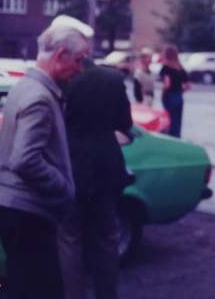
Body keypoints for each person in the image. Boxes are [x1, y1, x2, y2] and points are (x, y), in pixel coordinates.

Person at [0, 24, 89, 299]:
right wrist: (62, 186)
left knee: (27, 288)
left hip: (15, 209)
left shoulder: (24, 87)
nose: (80, 69)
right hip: (29, 213)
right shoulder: (40, 97)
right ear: (60, 55)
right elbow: (25, 159)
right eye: (79, 60)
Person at [58, 66, 134, 299]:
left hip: (71, 165)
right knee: (106, 240)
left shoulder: (63, 78)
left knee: (70, 240)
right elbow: (125, 122)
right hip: (105, 166)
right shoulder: (111, 79)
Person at [159, 45, 190, 138]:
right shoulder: (180, 69)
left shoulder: (165, 68)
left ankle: (170, 140)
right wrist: (180, 91)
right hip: (179, 97)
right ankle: (177, 139)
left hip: (169, 97)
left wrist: (163, 93)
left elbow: (167, 84)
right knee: (177, 122)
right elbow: (188, 86)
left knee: (169, 121)